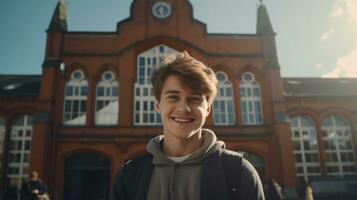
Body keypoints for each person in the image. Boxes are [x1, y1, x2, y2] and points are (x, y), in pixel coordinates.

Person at [109, 51, 265, 200]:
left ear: (208, 109)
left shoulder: (240, 173)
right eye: (173, 97)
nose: (183, 108)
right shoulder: (129, 175)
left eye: (195, 99)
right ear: (158, 105)